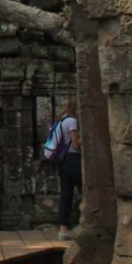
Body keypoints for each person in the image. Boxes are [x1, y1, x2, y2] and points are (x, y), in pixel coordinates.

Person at [56, 97, 81, 240]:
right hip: (72, 158)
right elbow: (76, 144)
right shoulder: (72, 121)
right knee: (86, 190)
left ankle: (63, 229)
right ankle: (88, 222)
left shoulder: (61, 119)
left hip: (63, 160)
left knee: (66, 194)